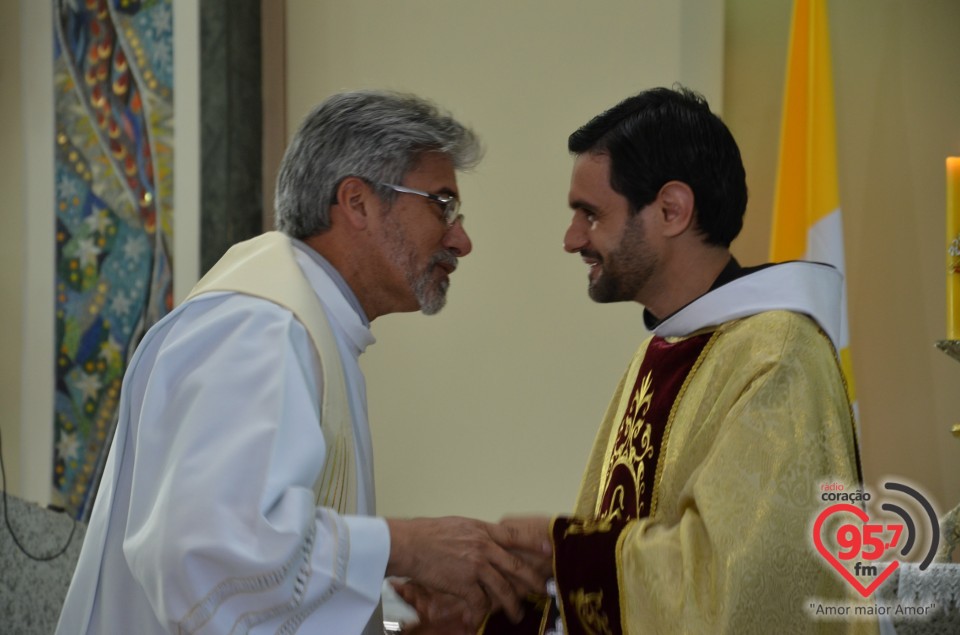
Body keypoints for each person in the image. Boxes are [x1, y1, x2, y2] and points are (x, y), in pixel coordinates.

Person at [55, 90, 550, 635]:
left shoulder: (311, 330)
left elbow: (262, 580)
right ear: (357, 202)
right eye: (442, 203)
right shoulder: (259, 327)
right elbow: (205, 552)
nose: (461, 239)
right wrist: (405, 545)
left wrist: (403, 625)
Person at [400, 86, 874, 633]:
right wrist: (494, 614)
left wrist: (562, 551)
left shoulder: (778, 357)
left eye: (590, 214)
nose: (571, 238)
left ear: (671, 209)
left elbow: (745, 588)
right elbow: (629, 585)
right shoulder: (666, 348)